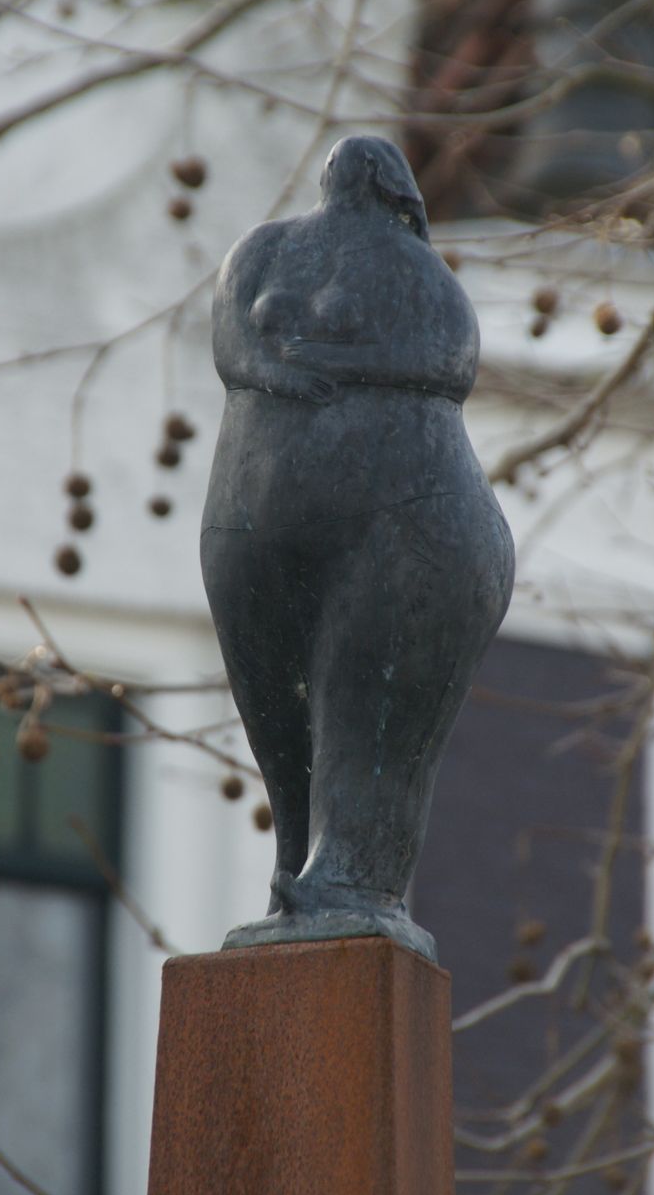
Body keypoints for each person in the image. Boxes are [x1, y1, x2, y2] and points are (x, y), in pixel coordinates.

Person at [201, 136, 514, 961]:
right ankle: (295, 872)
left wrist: (304, 362)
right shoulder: (265, 249)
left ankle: (347, 879)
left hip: (412, 525)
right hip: (256, 525)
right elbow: (232, 338)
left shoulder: (425, 280)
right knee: (280, 723)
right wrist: (280, 367)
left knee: (371, 735)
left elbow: (445, 361)